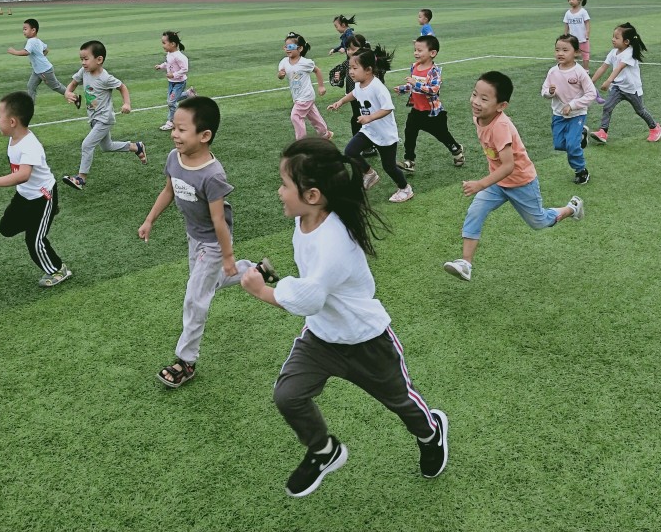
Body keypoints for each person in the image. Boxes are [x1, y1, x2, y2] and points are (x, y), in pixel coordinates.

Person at [240, 138, 449, 498]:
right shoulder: (306, 219)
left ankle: (431, 433)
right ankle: (324, 451)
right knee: (288, 396)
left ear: (312, 195)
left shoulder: (333, 241)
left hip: (365, 339)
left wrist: (262, 291)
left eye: (284, 185)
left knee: (401, 401)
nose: (278, 192)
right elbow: (314, 288)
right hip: (322, 337)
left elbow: (310, 297)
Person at [138, 96, 259, 388]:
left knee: (195, 298)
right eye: (174, 128)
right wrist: (150, 219)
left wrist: (227, 256)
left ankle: (186, 361)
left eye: (182, 130)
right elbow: (168, 191)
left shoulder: (213, 175)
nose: (174, 134)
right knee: (209, 283)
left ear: (204, 136)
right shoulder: (174, 157)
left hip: (215, 243)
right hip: (194, 236)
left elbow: (219, 221)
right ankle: (254, 271)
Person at [444, 72, 583, 282]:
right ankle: (466, 263)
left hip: (521, 183)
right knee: (475, 211)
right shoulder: (479, 117)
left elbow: (508, 166)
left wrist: (480, 184)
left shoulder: (500, 127)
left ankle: (572, 208)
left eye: (484, 99)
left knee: (539, 222)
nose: (476, 102)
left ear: (501, 106)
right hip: (497, 182)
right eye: (474, 94)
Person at [0, 92, 70, 287]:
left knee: (34, 241)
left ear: (12, 122)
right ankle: (45, 216)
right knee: (6, 228)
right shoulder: (14, 138)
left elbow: (23, 175)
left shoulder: (30, 145)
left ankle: (58, 269)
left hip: (43, 196)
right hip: (24, 195)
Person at [328, 46, 413, 203]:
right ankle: (369, 173)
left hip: (384, 134)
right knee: (350, 151)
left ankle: (405, 188)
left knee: (389, 167)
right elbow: (354, 94)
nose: (350, 72)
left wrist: (370, 118)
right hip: (369, 131)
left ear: (368, 70)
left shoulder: (377, 87)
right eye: (350, 68)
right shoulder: (359, 84)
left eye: (354, 68)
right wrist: (340, 102)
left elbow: (388, 108)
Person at [60, 40, 146, 190]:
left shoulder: (105, 78)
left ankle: (81, 178)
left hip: (104, 119)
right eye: (81, 59)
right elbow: (73, 83)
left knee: (87, 144)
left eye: (86, 59)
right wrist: (67, 92)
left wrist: (127, 104)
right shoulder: (84, 71)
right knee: (107, 146)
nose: (83, 62)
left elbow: (122, 87)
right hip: (93, 118)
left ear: (99, 59)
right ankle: (136, 147)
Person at [393, 35, 465, 173]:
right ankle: (409, 161)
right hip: (416, 111)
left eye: (420, 50)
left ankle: (456, 150)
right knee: (409, 133)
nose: (416, 53)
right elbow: (412, 86)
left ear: (432, 53)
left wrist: (416, 84)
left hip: (432, 113)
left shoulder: (434, 71)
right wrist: (403, 88)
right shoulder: (414, 66)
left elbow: (434, 90)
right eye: (415, 50)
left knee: (442, 135)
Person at [589, 23, 661, 145]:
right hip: (617, 87)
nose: (613, 39)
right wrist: (590, 82)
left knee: (640, 111)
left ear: (626, 42)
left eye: (616, 37)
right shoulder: (613, 52)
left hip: (631, 89)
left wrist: (608, 81)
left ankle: (655, 128)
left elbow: (619, 68)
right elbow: (603, 67)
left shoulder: (630, 53)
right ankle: (603, 132)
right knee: (607, 107)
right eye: (613, 36)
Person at [541, 35, 598, 185]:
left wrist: (572, 105)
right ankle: (581, 135)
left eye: (565, 50)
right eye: (557, 50)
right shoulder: (552, 72)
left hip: (577, 114)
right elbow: (544, 91)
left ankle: (581, 170)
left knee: (572, 145)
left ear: (576, 52)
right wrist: (549, 92)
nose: (560, 53)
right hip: (558, 114)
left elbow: (591, 94)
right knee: (559, 144)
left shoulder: (580, 72)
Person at [278, 32, 331, 141]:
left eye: (290, 47)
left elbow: (317, 70)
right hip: (297, 96)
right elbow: (280, 75)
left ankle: (301, 142)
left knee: (295, 116)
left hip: (306, 96)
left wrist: (321, 86)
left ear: (300, 48)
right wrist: (280, 75)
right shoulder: (284, 62)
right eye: (286, 47)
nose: (287, 49)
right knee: (314, 117)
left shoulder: (305, 62)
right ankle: (325, 133)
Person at [7, 18, 66, 102]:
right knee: (31, 86)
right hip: (38, 70)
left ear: (33, 30)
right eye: (23, 29)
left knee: (56, 87)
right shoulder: (37, 40)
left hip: (44, 70)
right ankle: (30, 106)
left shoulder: (31, 41)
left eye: (25, 29)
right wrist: (38, 59)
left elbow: (26, 52)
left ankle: (74, 97)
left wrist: (14, 52)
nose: (23, 31)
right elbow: (46, 50)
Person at [154, 30, 193, 132]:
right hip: (171, 82)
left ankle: (171, 121)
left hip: (179, 83)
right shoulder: (169, 53)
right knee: (171, 100)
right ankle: (188, 94)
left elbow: (185, 69)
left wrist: (174, 74)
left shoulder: (179, 56)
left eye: (164, 43)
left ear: (173, 44)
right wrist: (161, 66)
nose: (162, 45)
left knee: (171, 102)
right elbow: (168, 63)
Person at [562, 0, 592, 74]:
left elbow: (587, 23)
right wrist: (565, 35)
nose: (571, 1)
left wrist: (587, 33)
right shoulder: (568, 13)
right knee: (572, 54)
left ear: (579, 0)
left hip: (583, 38)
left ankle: (586, 70)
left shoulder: (583, 12)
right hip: (573, 40)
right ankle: (573, 69)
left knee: (585, 55)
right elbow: (566, 24)